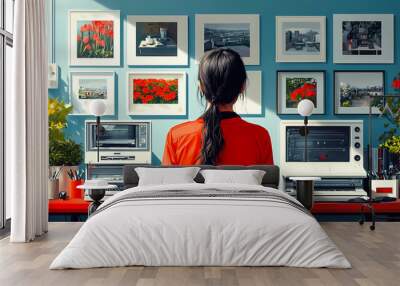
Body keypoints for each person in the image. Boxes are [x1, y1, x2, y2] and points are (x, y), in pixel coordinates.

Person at [162, 48, 273, 166]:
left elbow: (168, 183)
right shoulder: (260, 136)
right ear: (243, 87)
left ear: (201, 87)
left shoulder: (177, 135)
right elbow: (266, 183)